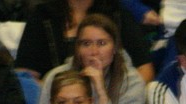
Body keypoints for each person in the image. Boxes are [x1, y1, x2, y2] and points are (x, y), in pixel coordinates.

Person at [35, 13, 146, 104]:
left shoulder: (131, 81)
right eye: (86, 44)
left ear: (115, 47)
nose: (94, 52)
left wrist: (100, 91)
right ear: (77, 48)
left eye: (102, 43)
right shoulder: (56, 77)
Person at [14, 0, 154, 82]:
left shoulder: (117, 13)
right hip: (58, 103)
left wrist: (124, 94)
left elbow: (145, 68)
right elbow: (25, 75)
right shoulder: (43, 15)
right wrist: (56, 95)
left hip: (113, 100)